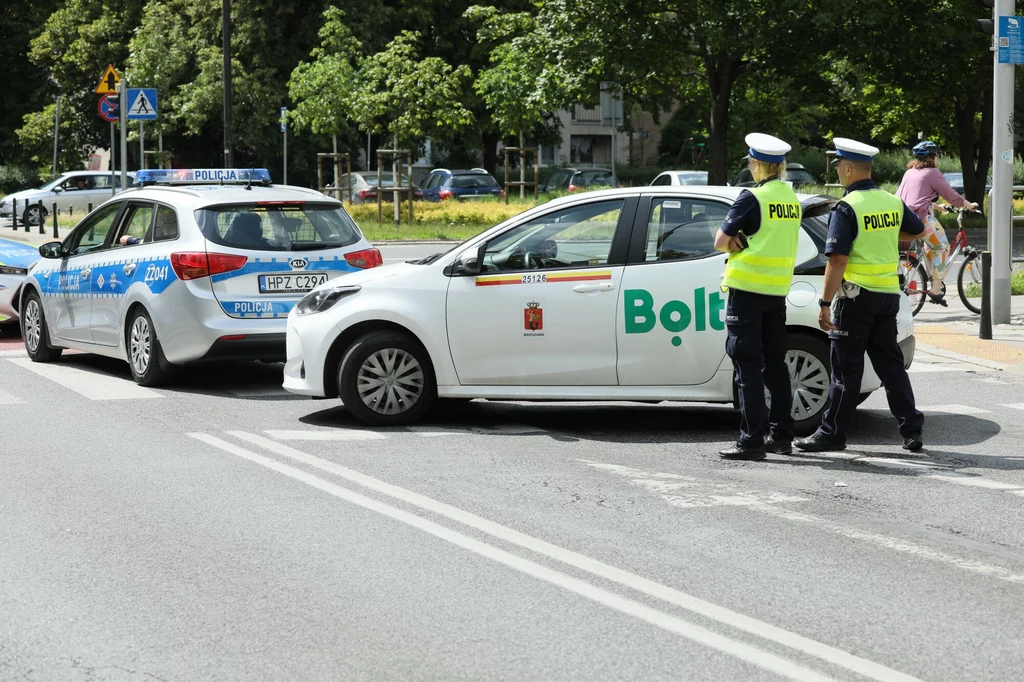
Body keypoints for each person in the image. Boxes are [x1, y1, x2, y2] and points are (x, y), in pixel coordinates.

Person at [795, 138, 926, 454]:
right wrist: (885, 235)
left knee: (846, 370)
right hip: (887, 297)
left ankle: (832, 434)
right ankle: (911, 430)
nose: (838, 171)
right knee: (891, 366)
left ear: (849, 168)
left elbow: (837, 260)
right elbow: (919, 230)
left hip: (855, 300)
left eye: (839, 165)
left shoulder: (848, 206)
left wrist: (825, 304)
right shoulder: (890, 201)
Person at [713, 133, 802, 460]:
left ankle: (751, 441)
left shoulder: (753, 197)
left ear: (757, 164)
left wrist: (734, 237)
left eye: (751, 162)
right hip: (776, 293)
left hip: (747, 294)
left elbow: (720, 241)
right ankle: (781, 436)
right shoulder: (791, 199)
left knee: (747, 368)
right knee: (776, 367)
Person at [895, 140, 978, 306]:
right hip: (919, 220)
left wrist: (937, 206)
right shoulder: (931, 172)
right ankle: (936, 287)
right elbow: (952, 195)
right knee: (942, 247)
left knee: (930, 245)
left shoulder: (910, 172)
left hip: (901, 218)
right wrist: (969, 205)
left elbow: (913, 199)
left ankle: (928, 275)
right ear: (933, 157)